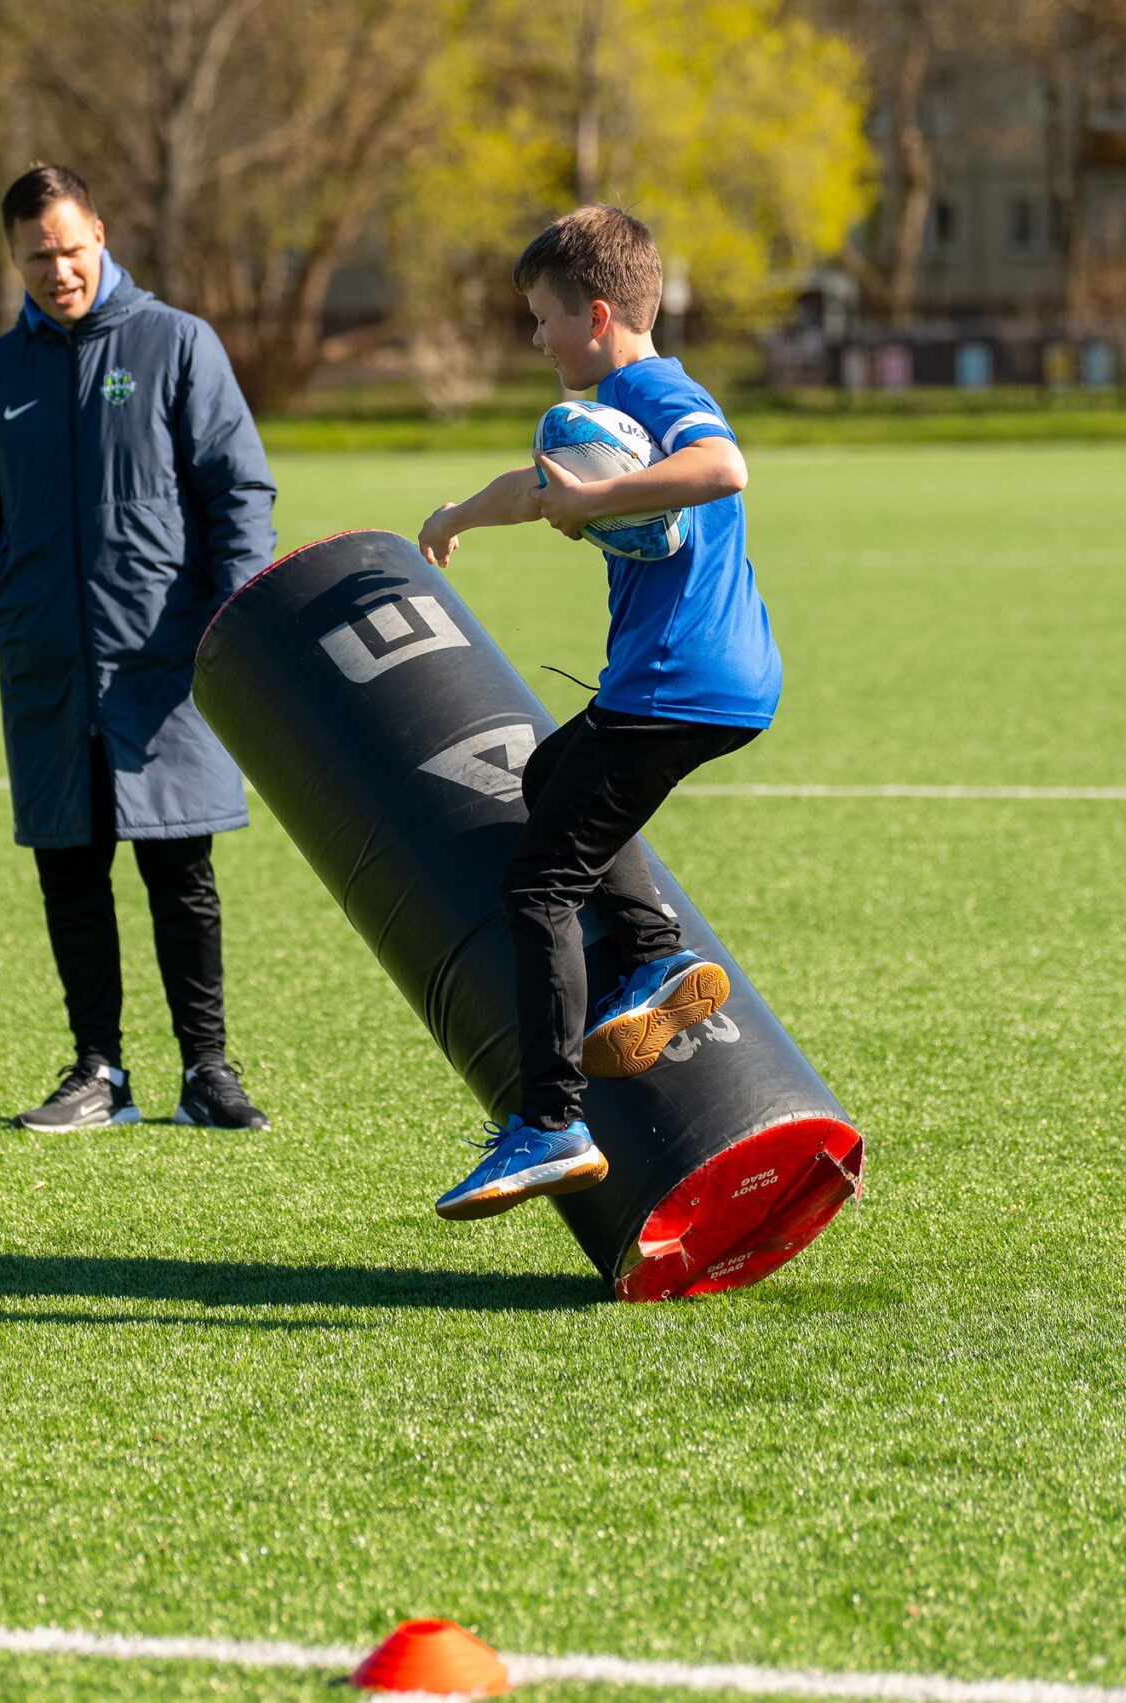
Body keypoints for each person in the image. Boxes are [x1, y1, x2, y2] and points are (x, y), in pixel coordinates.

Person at [0, 163, 277, 1133]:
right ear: (12, 258)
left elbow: (237, 493)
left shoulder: (177, 343)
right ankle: (99, 1071)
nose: (58, 270)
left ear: (100, 235)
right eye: (37, 257)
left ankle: (207, 1070)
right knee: (70, 871)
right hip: (47, 665)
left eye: (70, 249)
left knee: (180, 873)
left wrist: (241, 618)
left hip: (163, 663)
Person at [414, 205, 777, 1221]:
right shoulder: (611, 412)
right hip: (701, 682)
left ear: (600, 314)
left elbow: (723, 467)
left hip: (673, 682)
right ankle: (655, 955)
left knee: (537, 883)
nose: (537, 338)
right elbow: (541, 488)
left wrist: (589, 507)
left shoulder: (655, 391)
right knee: (549, 775)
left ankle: (549, 1119)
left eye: (544, 317)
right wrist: (459, 516)